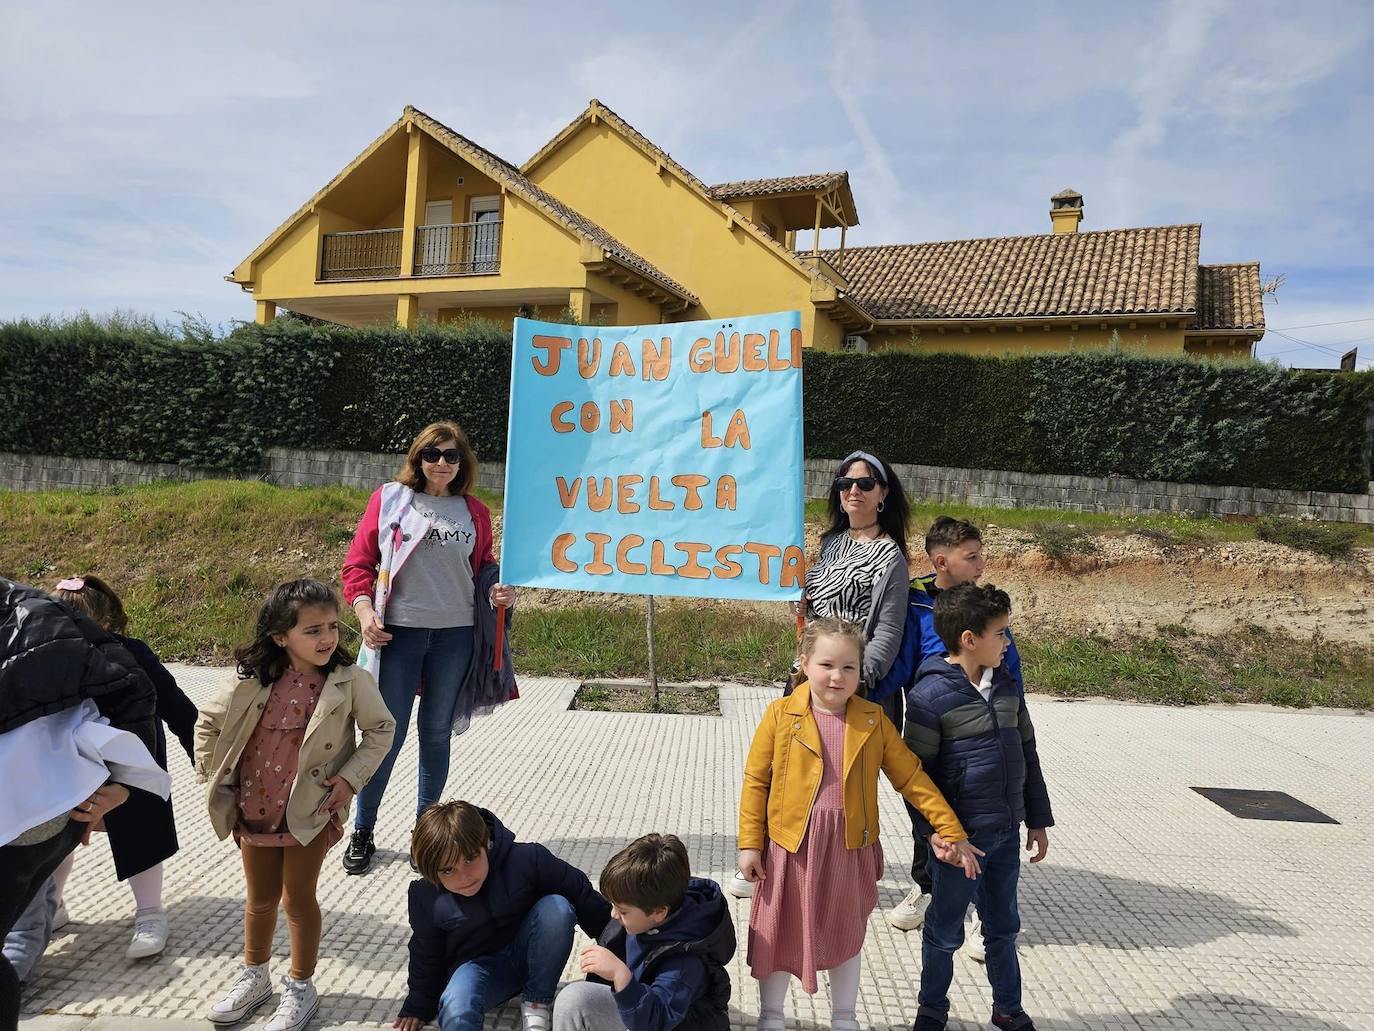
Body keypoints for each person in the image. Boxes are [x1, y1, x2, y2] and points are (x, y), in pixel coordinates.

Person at [737, 618, 982, 1031]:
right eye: (827, 665)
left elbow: (912, 778)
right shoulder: (781, 715)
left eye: (849, 667)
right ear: (804, 663)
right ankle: (772, 1014)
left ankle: (844, 1015)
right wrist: (749, 844)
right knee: (779, 930)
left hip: (850, 848)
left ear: (861, 669)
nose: (837, 676)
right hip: (789, 846)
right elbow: (756, 780)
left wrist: (949, 829)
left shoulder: (873, 720)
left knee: (846, 932)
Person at [195, 579, 395, 1031]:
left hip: (310, 811)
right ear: (280, 636)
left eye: (332, 627)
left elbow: (382, 729)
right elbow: (207, 720)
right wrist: (215, 776)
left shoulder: (350, 680)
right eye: (312, 630)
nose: (327, 638)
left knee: (297, 899)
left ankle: (301, 985)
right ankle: (254, 975)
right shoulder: (251, 679)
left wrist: (349, 779)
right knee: (260, 899)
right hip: (255, 807)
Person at [733, 448, 911, 900]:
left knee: (841, 783)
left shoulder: (891, 558)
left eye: (865, 483)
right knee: (785, 770)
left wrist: (854, 679)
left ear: (883, 493)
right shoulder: (832, 543)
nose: (853, 490)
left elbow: (888, 628)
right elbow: (813, 606)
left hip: (851, 684)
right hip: (807, 677)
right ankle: (768, 856)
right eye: (845, 483)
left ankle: (845, 871)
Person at [341, 419, 517, 876]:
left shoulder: (474, 511)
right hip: (399, 634)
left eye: (451, 455)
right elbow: (358, 565)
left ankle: (427, 835)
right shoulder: (390, 500)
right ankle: (364, 829)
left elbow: (483, 569)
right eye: (432, 454)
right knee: (386, 735)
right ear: (417, 458)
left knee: (436, 733)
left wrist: (498, 589)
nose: (442, 463)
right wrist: (364, 614)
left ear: (463, 463)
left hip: (456, 635)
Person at [1, 577, 162, 1029]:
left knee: (139, 850)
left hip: (44, 808)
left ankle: (150, 914)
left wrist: (127, 782)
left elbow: (143, 690)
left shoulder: (36, 615)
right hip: (46, 804)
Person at [903, 584, 1054, 1031]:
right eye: (1002, 633)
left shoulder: (1007, 687)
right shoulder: (930, 698)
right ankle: (932, 1007)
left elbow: (1028, 752)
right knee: (945, 931)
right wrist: (936, 834)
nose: (1008, 642)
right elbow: (916, 779)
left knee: (1003, 927)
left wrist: (1038, 818)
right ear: (969, 639)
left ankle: (1008, 1008)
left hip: (1006, 834)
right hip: (959, 844)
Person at [40, 575, 199, 959]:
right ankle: (51, 906)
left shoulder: (134, 653)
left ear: (106, 624)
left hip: (132, 755)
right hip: (71, 761)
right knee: (57, 830)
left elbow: (177, 706)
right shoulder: (44, 658)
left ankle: (149, 913)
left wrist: (204, 759)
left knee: (139, 828)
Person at [887, 517, 1021, 949]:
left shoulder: (987, 609)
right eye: (972, 557)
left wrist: (1013, 714)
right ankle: (927, 888)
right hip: (930, 725)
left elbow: (1009, 666)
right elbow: (899, 662)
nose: (982, 565)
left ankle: (984, 911)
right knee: (925, 807)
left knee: (981, 817)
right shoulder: (913, 602)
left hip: (982, 733)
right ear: (942, 562)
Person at [395, 801, 612, 1031]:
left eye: (470, 858)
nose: (464, 876)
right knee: (456, 1008)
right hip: (478, 971)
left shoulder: (528, 860)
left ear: (486, 843)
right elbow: (426, 953)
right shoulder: (428, 897)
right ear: (432, 872)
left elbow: (587, 901)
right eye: (448, 870)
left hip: (533, 956)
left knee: (557, 908)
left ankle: (537, 1002)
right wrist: (417, 1005)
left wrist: (620, 960)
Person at [554, 833, 736, 1031]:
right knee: (573, 999)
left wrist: (620, 975)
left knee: (575, 999)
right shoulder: (646, 907)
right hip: (641, 1009)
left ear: (659, 912)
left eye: (622, 910)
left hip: (662, 1022)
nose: (614, 914)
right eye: (613, 905)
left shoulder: (684, 964)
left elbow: (656, 1022)